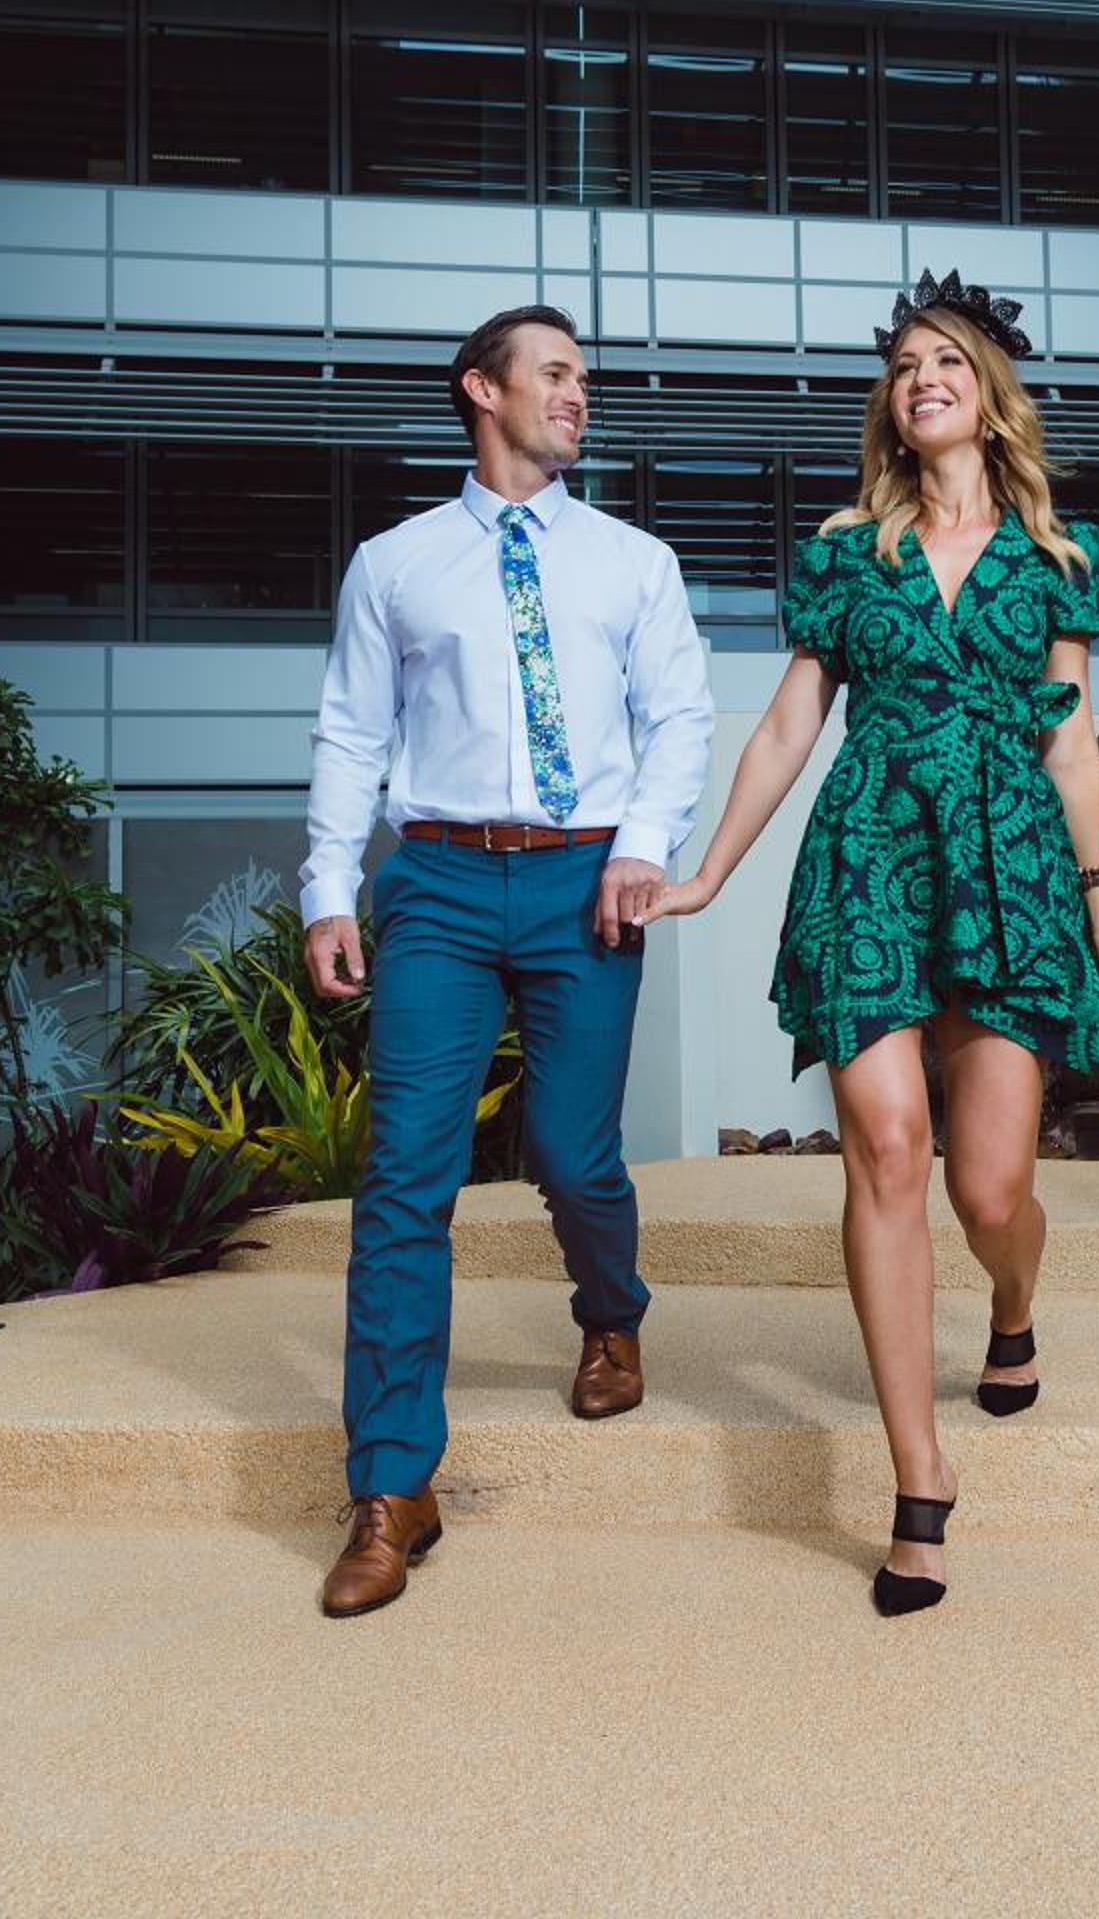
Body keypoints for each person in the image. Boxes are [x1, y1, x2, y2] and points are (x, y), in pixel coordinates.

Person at [646, 271, 1099, 1617]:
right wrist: (707, 872)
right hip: (870, 857)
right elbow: (787, 727)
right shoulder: (844, 554)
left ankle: (1011, 1306)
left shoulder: (1059, 558)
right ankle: (919, 1483)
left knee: (989, 1192)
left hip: (1012, 870)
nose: (923, 379)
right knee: (885, 1148)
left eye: (948, 362)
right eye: (906, 365)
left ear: (990, 397)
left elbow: (1071, 743)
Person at [300, 303, 715, 1618]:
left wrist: (642, 849)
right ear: (483, 390)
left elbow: (681, 717)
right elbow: (351, 732)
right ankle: (391, 1489)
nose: (578, 394)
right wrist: (328, 888)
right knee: (403, 1176)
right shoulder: (396, 564)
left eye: (583, 377)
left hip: (587, 879)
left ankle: (612, 1309)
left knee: (572, 1153)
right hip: (437, 881)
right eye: (556, 374)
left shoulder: (634, 563)